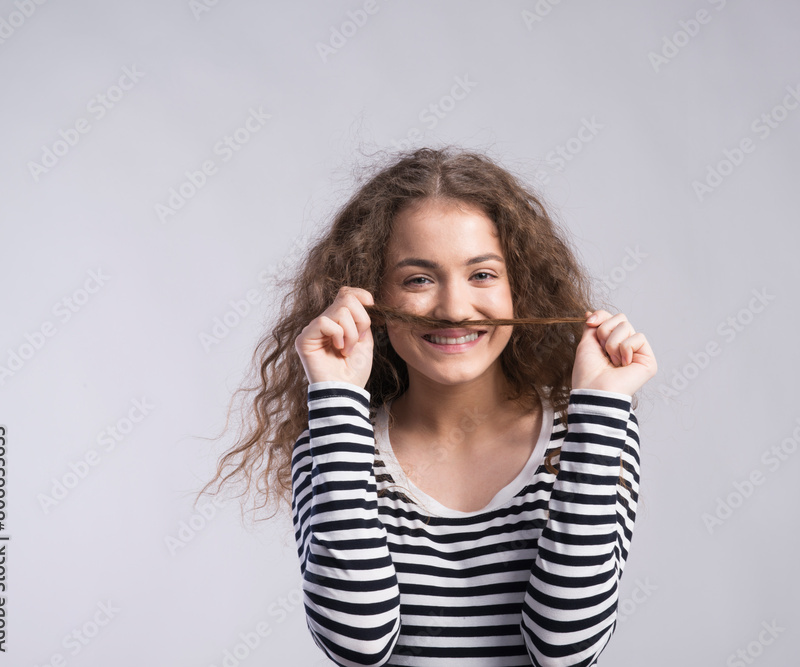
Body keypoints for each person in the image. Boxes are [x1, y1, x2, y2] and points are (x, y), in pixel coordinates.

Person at [205, 147, 657, 666]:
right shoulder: (332, 442)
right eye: (418, 279)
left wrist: (600, 407)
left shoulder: (593, 434)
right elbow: (358, 644)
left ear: (521, 289)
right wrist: (334, 393)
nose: (454, 310)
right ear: (372, 297)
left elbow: (565, 648)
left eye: (482, 275)